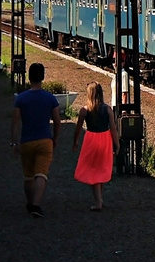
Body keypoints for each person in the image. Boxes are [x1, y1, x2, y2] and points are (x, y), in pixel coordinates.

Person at [10, 63, 61, 218]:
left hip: (26, 141)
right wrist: (55, 139)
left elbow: (15, 122)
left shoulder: (21, 99)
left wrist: (14, 142)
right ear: (43, 77)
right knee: (42, 174)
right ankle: (36, 205)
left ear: (29, 77)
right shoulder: (50, 98)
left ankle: (30, 202)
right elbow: (57, 121)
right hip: (45, 140)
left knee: (28, 175)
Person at [72, 82, 120, 211]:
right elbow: (113, 128)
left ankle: (98, 202)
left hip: (91, 139)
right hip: (105, 139)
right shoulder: (107, 109)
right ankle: (100, 199)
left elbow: (78, 128)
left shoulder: (85, 110)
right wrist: (117, 143)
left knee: (93, 171)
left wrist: (75, 141)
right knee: (101, 169)